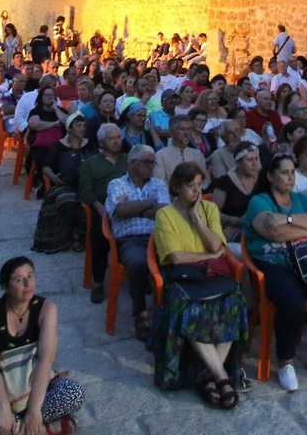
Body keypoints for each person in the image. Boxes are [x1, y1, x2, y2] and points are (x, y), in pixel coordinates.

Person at [243, 152, 307, 389]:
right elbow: (273, 233)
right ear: (270, 175)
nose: (290, 178)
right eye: (284, 172)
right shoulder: (258, 201)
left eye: (292, 172)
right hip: (273, 262)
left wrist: (287, 221)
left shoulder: (303, 199)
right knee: (293, 302)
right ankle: (286, 361)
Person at [150, 162, 249, 408]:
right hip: (183, 279)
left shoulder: (209, 209)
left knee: (235, 304)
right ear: (177, 187)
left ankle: (209, 377)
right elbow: (175, 257)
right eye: (190, 186)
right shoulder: (165, 214)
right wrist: (208, 256)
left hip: (212, 277)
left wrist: (197, 221)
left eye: (198, 185)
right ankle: (222, 378)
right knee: (191, 311)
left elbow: (218, 246)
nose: (196, 191)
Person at [0, 257, 84, 435]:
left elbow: (45, 360)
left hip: (36, 387)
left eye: (30, 276)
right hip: (0, 392)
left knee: (74, 392)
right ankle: (46, 429)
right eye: (19, 279)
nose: (27, 283)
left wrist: (34, 410)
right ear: (6, 287)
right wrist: (4, 410)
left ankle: (15, 429)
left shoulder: (46, 308)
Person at [106, 145, 171, 340]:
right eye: (146, 161)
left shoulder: (158, 184)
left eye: (153, 162)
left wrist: (136, 208)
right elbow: (122, 210)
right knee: (138, 263)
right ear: (132, 163)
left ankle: (170, 309)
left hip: (158, 236)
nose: (151, 166)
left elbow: (164, 212)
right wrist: (150, 204)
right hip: (130, 239)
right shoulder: (116, 184)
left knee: (178, 259)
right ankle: (140, 313)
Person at [77, 123, 129, 303]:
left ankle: (140, 271)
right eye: (111, 138)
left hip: (130, 206)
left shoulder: (129, 159)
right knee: (99, 233)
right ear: (101, 142)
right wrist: (100, 208)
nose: (116, 141)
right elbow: (85, 191)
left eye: (118, 137)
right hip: (104, 208)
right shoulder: (91, 163)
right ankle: (98, 281)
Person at [31, 114, 91, 254]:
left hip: (86, 183)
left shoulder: (90, 143)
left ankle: (79, 232)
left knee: (89, 199)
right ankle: (70, 233)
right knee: (66, 199)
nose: (82, 129)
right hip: (64, 184)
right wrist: (54, 178)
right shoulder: (58, 145)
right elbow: (46, 167)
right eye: (78, 125)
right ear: (69, 129)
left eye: (84, 126)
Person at [210, 141, 263, 240]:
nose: (255, 163)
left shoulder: (262, 180)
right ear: (238, 163)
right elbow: (213, 213)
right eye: (250, 160)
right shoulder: (224, 182)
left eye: (256, 159)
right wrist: (237, 221)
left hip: (260, 227)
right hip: (233, 231)